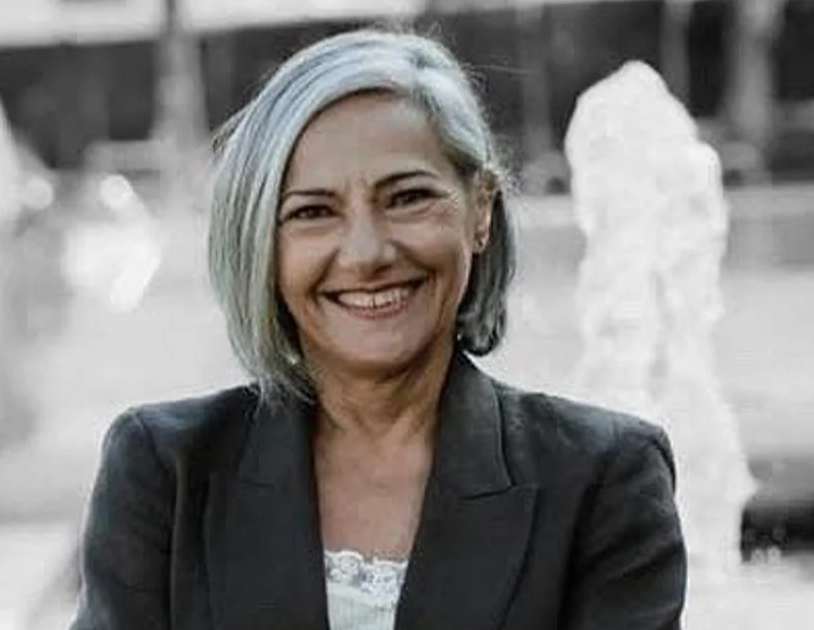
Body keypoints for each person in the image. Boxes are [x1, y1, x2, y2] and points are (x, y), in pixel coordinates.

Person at [71, 28, 686, 630]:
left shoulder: (605, 478)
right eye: (313, 212)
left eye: (408, 198)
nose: (366, 254)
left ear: (480, 209)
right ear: (260, 242)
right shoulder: (165, 472)